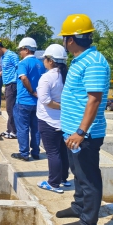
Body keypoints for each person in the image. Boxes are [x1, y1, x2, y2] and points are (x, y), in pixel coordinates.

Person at [55, 14, 110, 225]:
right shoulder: (81, 60)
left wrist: (80, 131)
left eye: (65, 38)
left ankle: (88, 222)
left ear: (70, 39)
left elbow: (94, 99)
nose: (64, 42)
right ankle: (79, 206)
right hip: (73, 132)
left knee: (88, 177)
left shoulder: (94, 62)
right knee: (77, 173)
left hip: (84, 134)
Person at [36, 44, 70, 193]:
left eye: (45, 58)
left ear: (50, 60)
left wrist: (60, 106)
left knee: (53, 152)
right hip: (63, 121)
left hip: (48, 120)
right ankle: (63, 178)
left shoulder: (47, 77)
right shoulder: (66, 75)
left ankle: (53, 183)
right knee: (62, 151)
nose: (44, 61)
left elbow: (45, 100)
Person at [11, 37, 45, 161]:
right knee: (35, 128)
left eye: (21, 49)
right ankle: (35, 152)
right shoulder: (40, 64)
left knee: (22, 128)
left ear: (26, 49)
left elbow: (24, 78)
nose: (20, 52)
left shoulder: (23, 63)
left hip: (24, 101)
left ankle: (24, 153)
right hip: (36, 102)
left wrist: (31, 91)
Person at [0, 37, 19, 138]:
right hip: (7, 84)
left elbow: (18, 68)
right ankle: (9, 129)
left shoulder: (11, 55)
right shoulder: (4, 57)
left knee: (11, 109)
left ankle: (14, 131)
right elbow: (5, 70)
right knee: (8, 108)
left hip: (13, 84)